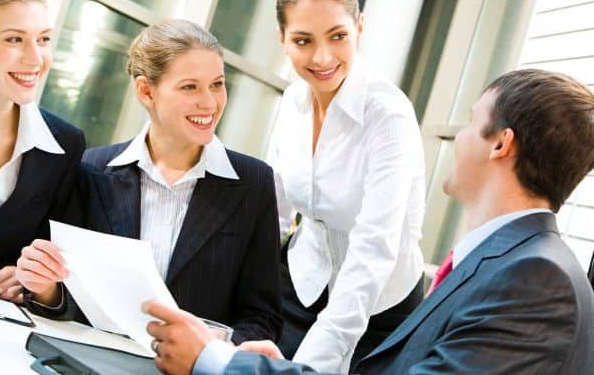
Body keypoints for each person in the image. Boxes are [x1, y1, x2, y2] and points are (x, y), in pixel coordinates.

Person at [143, 68, 594, 375]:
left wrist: (218, 361)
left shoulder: (535, 279)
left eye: (471, 124)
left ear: (500, 145)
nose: (456, 139)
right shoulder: (511, 263)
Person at [16, 19, 282, 343]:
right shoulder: (90, 170)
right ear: (146, 91)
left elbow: (262, 317)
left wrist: (214, 347)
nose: (210, 103)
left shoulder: (253, 184)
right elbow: (69, 299)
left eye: (217, 84)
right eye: (190, 87)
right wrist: (45, 287)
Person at [268, 0, 426, 371]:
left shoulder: (388, 116)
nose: (322, 58)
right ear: (283, 39)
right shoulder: (291, 101)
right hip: (304, 278)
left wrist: (310, 365)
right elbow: (275, 205)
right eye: (303, 41)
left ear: (359, 27)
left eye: (338, 36)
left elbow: (374, 248)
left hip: (379, 303)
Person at [0, 0, 84, 303]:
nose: (35, 59)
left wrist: (33, 283)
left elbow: (59, 281)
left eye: (43, 39)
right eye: (15, 39)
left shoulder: (64, 146)